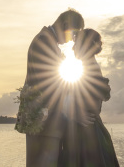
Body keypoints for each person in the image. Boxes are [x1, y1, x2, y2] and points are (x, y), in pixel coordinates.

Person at [18, 9, 88, 167]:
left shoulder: (45, 40)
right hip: (43, 120)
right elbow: (52, 85)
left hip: (43, 118)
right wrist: (75, 112)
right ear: (65, 25)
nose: (73, 41)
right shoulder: (44, 41)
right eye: (74, 34)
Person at [58, 29, 120, 167]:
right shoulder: (88, 68)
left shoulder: (91, 69)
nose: (73, 48)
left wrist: (73, 114)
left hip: (86, 136)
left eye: (76, 43)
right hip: (88, 132)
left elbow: (91, 105)